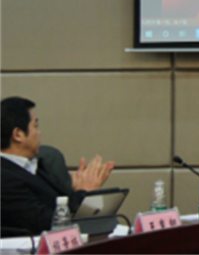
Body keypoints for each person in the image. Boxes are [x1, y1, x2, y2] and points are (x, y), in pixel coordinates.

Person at [0, 97, 115, 235]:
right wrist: (84, 192)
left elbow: (57, 207)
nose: (39, 133)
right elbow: (45, 222)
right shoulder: (4, 177)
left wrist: (74, 192)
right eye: (35, 126)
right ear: (18, 134)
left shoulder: (35, 166)